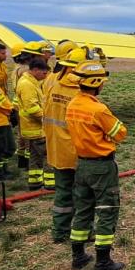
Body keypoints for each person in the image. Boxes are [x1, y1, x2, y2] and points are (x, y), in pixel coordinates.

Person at [66, 61, 128, 270]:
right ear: (96, 83)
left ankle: (78, 256)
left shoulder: (72, 104)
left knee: (83, 209)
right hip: (101, 166)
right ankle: (103, 261)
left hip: (82, 164)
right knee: (107, 210)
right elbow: (121, 133)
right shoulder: (98, 109)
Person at [45, 48, 84, 238]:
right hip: (76, 150)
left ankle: (59, 231)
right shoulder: (79, 93)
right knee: (83, 193)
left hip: (56, 147)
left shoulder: (53, 83)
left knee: (62, 192)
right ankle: (83, 231)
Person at [16, 60, 50, 190]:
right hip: (36, 128)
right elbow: (32, 108)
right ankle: (50, 183)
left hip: (31, 128)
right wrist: (47, 118)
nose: (45, 76)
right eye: (44, 73)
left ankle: (35, 182)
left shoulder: (30, 82)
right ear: (35, 70)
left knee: (35, 157)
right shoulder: (27, 85)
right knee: (46, 156)